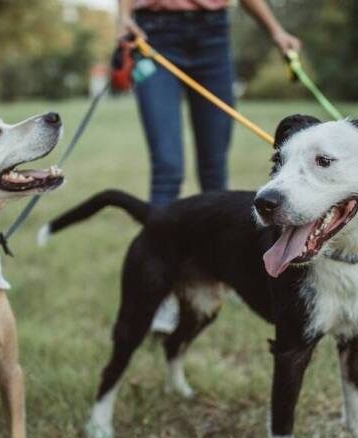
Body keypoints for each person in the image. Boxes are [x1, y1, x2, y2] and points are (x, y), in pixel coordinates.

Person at [118, 0, 301, 332]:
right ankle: (160, 289)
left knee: (215, 170)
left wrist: (276, 31)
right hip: (154, 33)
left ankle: (218, 271)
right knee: (168, 167)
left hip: (213, 34)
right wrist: (123, 16)